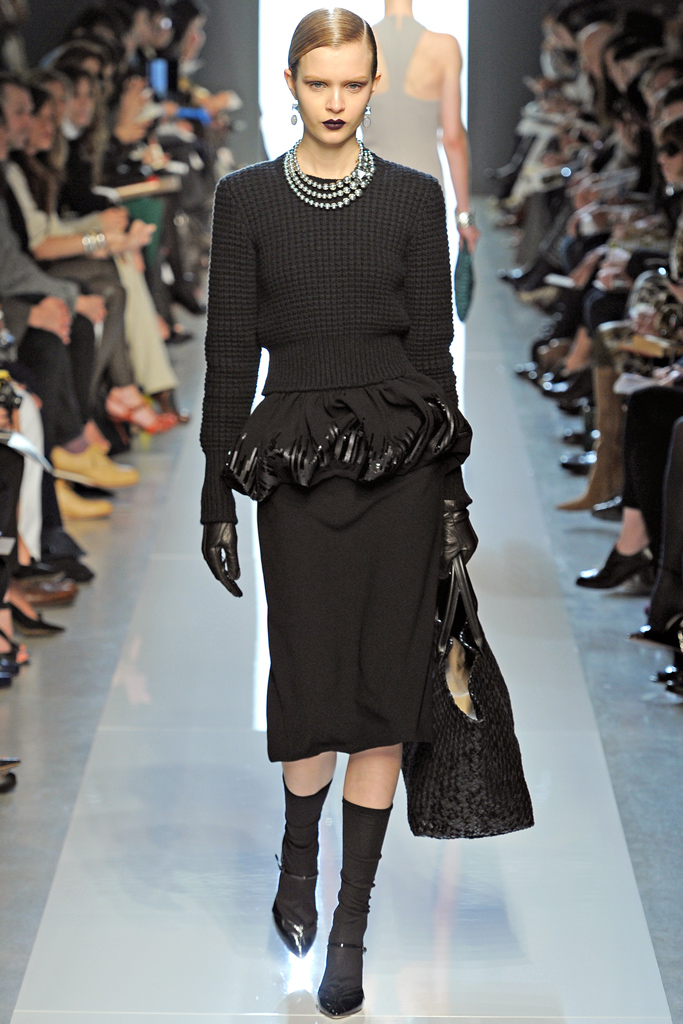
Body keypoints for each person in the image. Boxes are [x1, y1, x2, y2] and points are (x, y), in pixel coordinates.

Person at [200, 8, 475, 1018]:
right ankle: (296, 857)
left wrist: (450, 489)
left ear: (372, 85)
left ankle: (350, 924)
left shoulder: (411, 196)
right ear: (290, 82)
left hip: (401, 464)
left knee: (383, 691)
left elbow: (433, 354)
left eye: (352, 84)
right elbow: (230, 353)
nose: (334, 101)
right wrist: (214, 493)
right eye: (318, 83)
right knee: (310, 675)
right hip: (296, 469)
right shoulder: (245, 200)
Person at [362, 0, 479, 251]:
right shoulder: (445, 47)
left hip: (369, 187)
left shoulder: (357, 46)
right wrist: (464, 217)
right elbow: (453, 139)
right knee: (423, 272)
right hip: (425, 189)